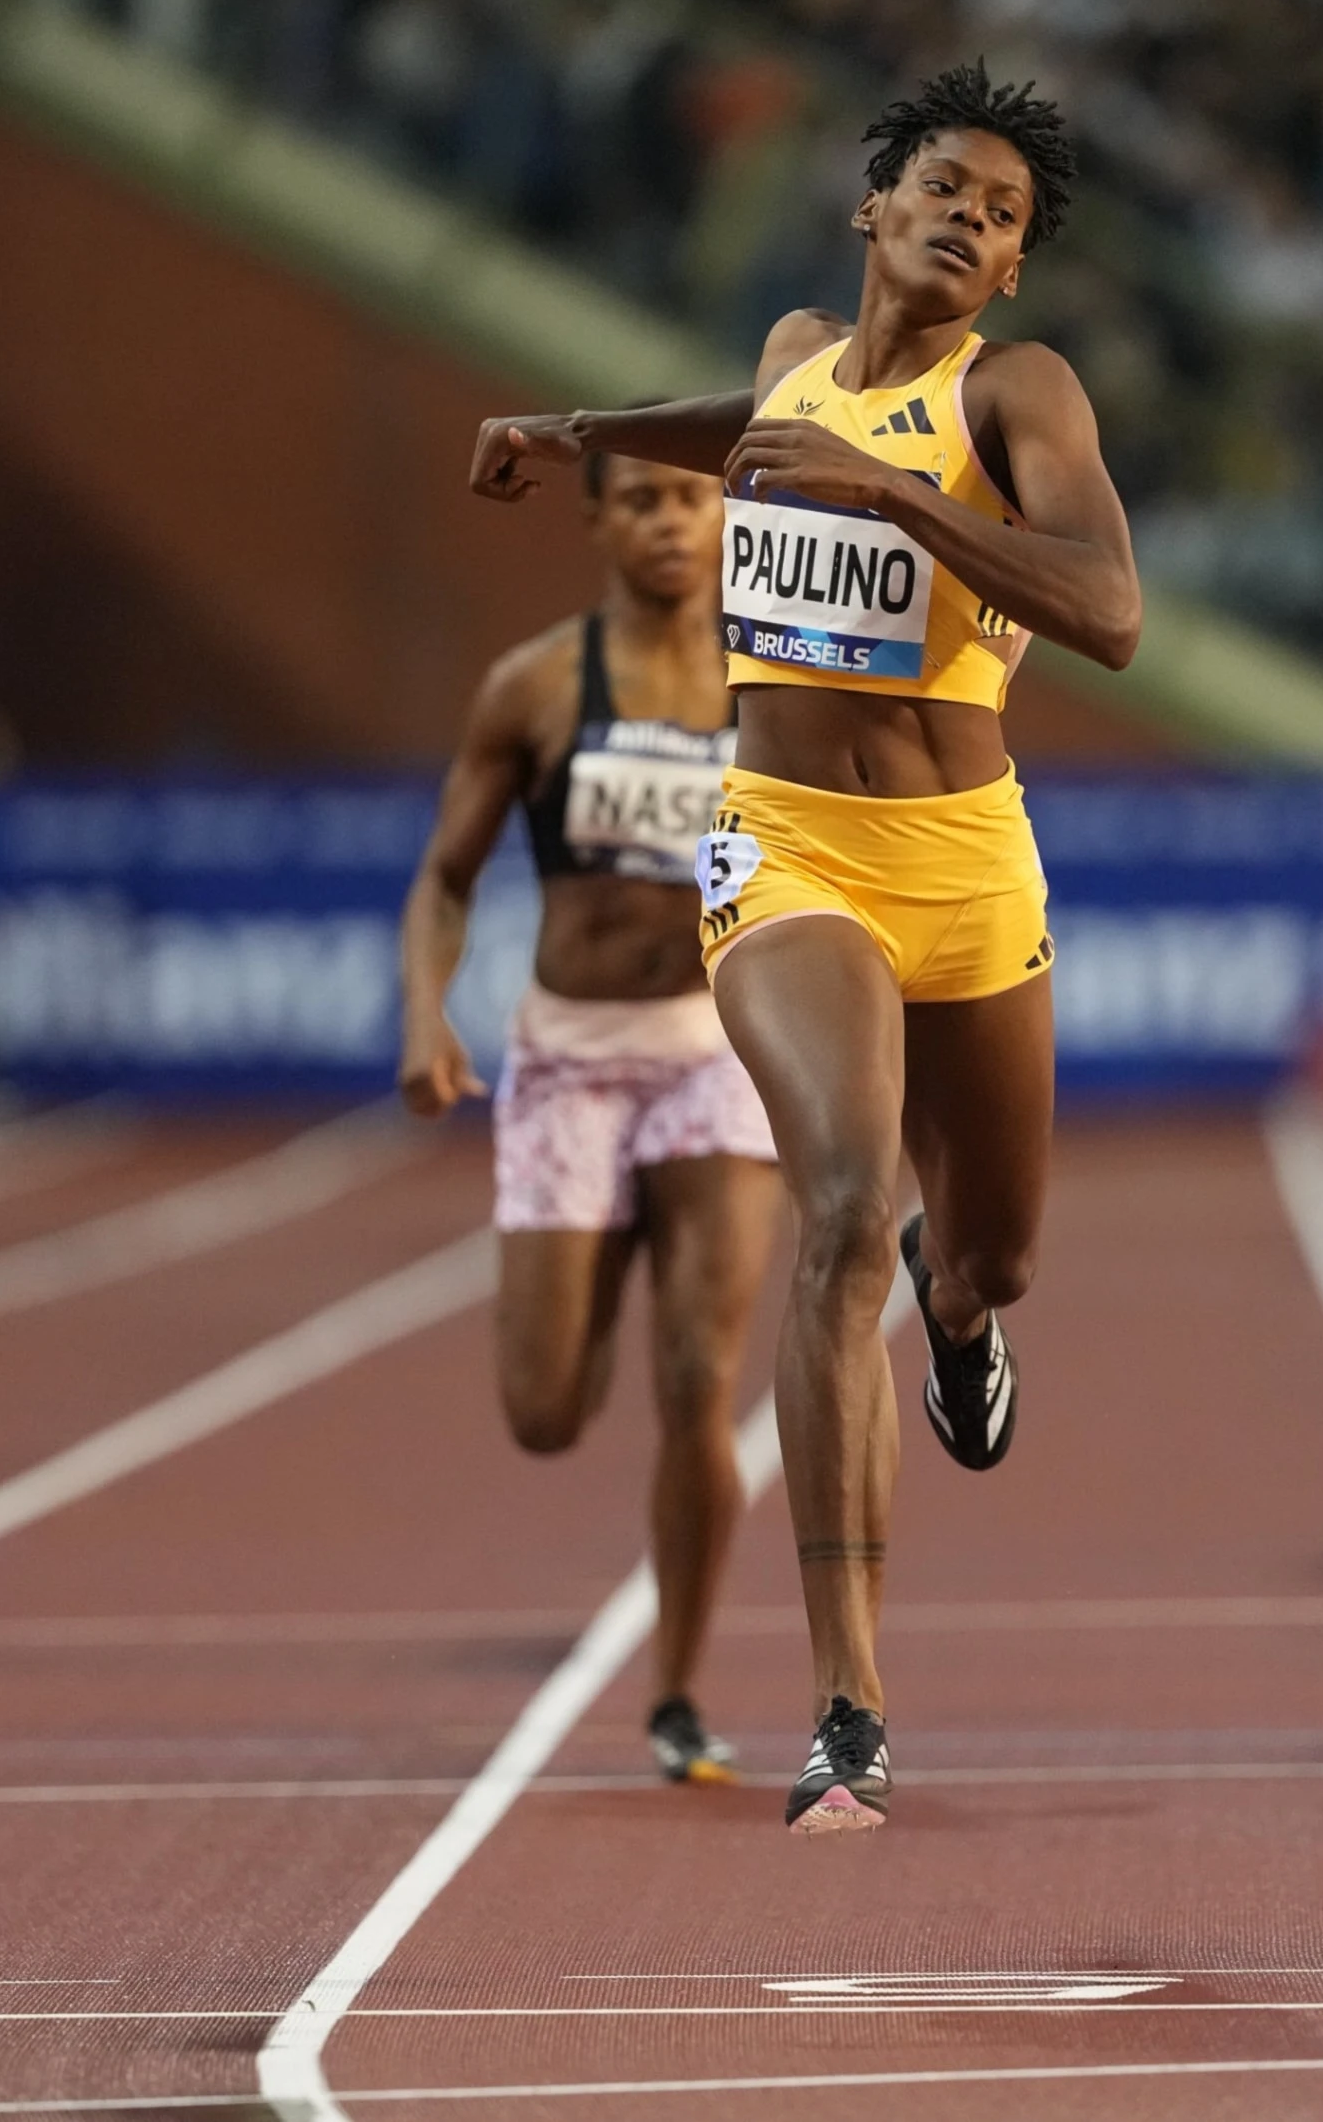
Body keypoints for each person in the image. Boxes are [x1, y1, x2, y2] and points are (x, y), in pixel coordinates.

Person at [465, 62, 1142, 1830]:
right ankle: (850, 1703)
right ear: (871, 208)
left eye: (1001, 214)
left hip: (966, 859)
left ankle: (958, 1305)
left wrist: (890, 492)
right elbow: (750, 427)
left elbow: (1111, 613)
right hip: (782, 844)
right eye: (943, 187)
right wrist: (583, 432)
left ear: (1012, 271)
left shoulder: (1015, 391)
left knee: (988, 1252)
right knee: (841, 1205)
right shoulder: (790, 359)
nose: (967, 217)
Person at [398, 448, 779, 1787]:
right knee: (546, 1408)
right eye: (641, 502)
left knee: (701, 1380)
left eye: (691, 499)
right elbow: (445, 877)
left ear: (725, 513)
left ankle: (675, 1687)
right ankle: (597, 1260)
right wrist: (426, 1015)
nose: (670, 523)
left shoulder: (772, 674)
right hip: (571, 1055)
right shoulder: (539, 683)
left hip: (717, 1049)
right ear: (596, 521)